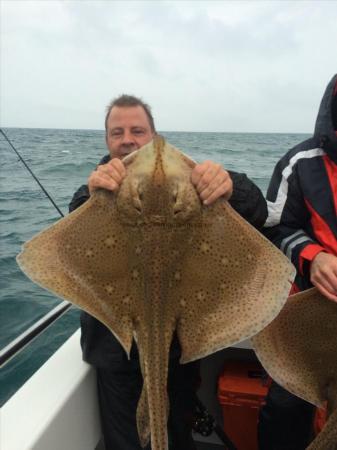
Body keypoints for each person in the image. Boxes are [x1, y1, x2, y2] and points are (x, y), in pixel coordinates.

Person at [69, 94, 268, 450]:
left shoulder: (190, 181)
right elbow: (70, 231)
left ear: (153, 135)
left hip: (180, 345)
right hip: (115, 347)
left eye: (137, 130)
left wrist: (229, 186)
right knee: (125, 441)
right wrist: (92, 195)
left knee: (177, 433)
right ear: (107, 141)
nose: (127, 139)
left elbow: (257, 211)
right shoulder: (96, 188)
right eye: (117, 132)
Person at [258, 73, 337, 450]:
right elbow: (274, 227)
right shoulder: (300, 162)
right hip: (306, 314)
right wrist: (314, 256)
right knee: (285, 406)